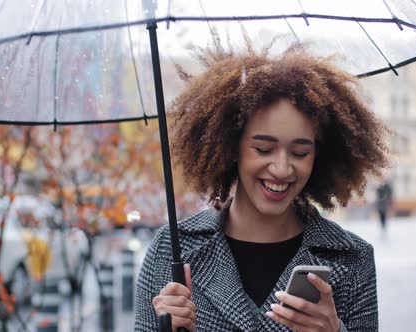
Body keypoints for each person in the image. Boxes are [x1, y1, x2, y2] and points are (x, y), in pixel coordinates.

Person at [135, 50, 389, 332]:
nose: (282, 169)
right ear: (232, 147)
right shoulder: (172, 250)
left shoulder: (352, 258)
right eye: (263, 149)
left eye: (300, 152)